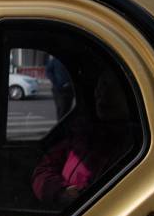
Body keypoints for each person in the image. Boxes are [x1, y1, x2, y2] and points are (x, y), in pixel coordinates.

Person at [31, 70, 134, 206]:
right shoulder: (83, 132)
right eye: (101, 85)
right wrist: (61, 192)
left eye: (113, 88)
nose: (102, 94)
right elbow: (44, 168)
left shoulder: (138, 146)